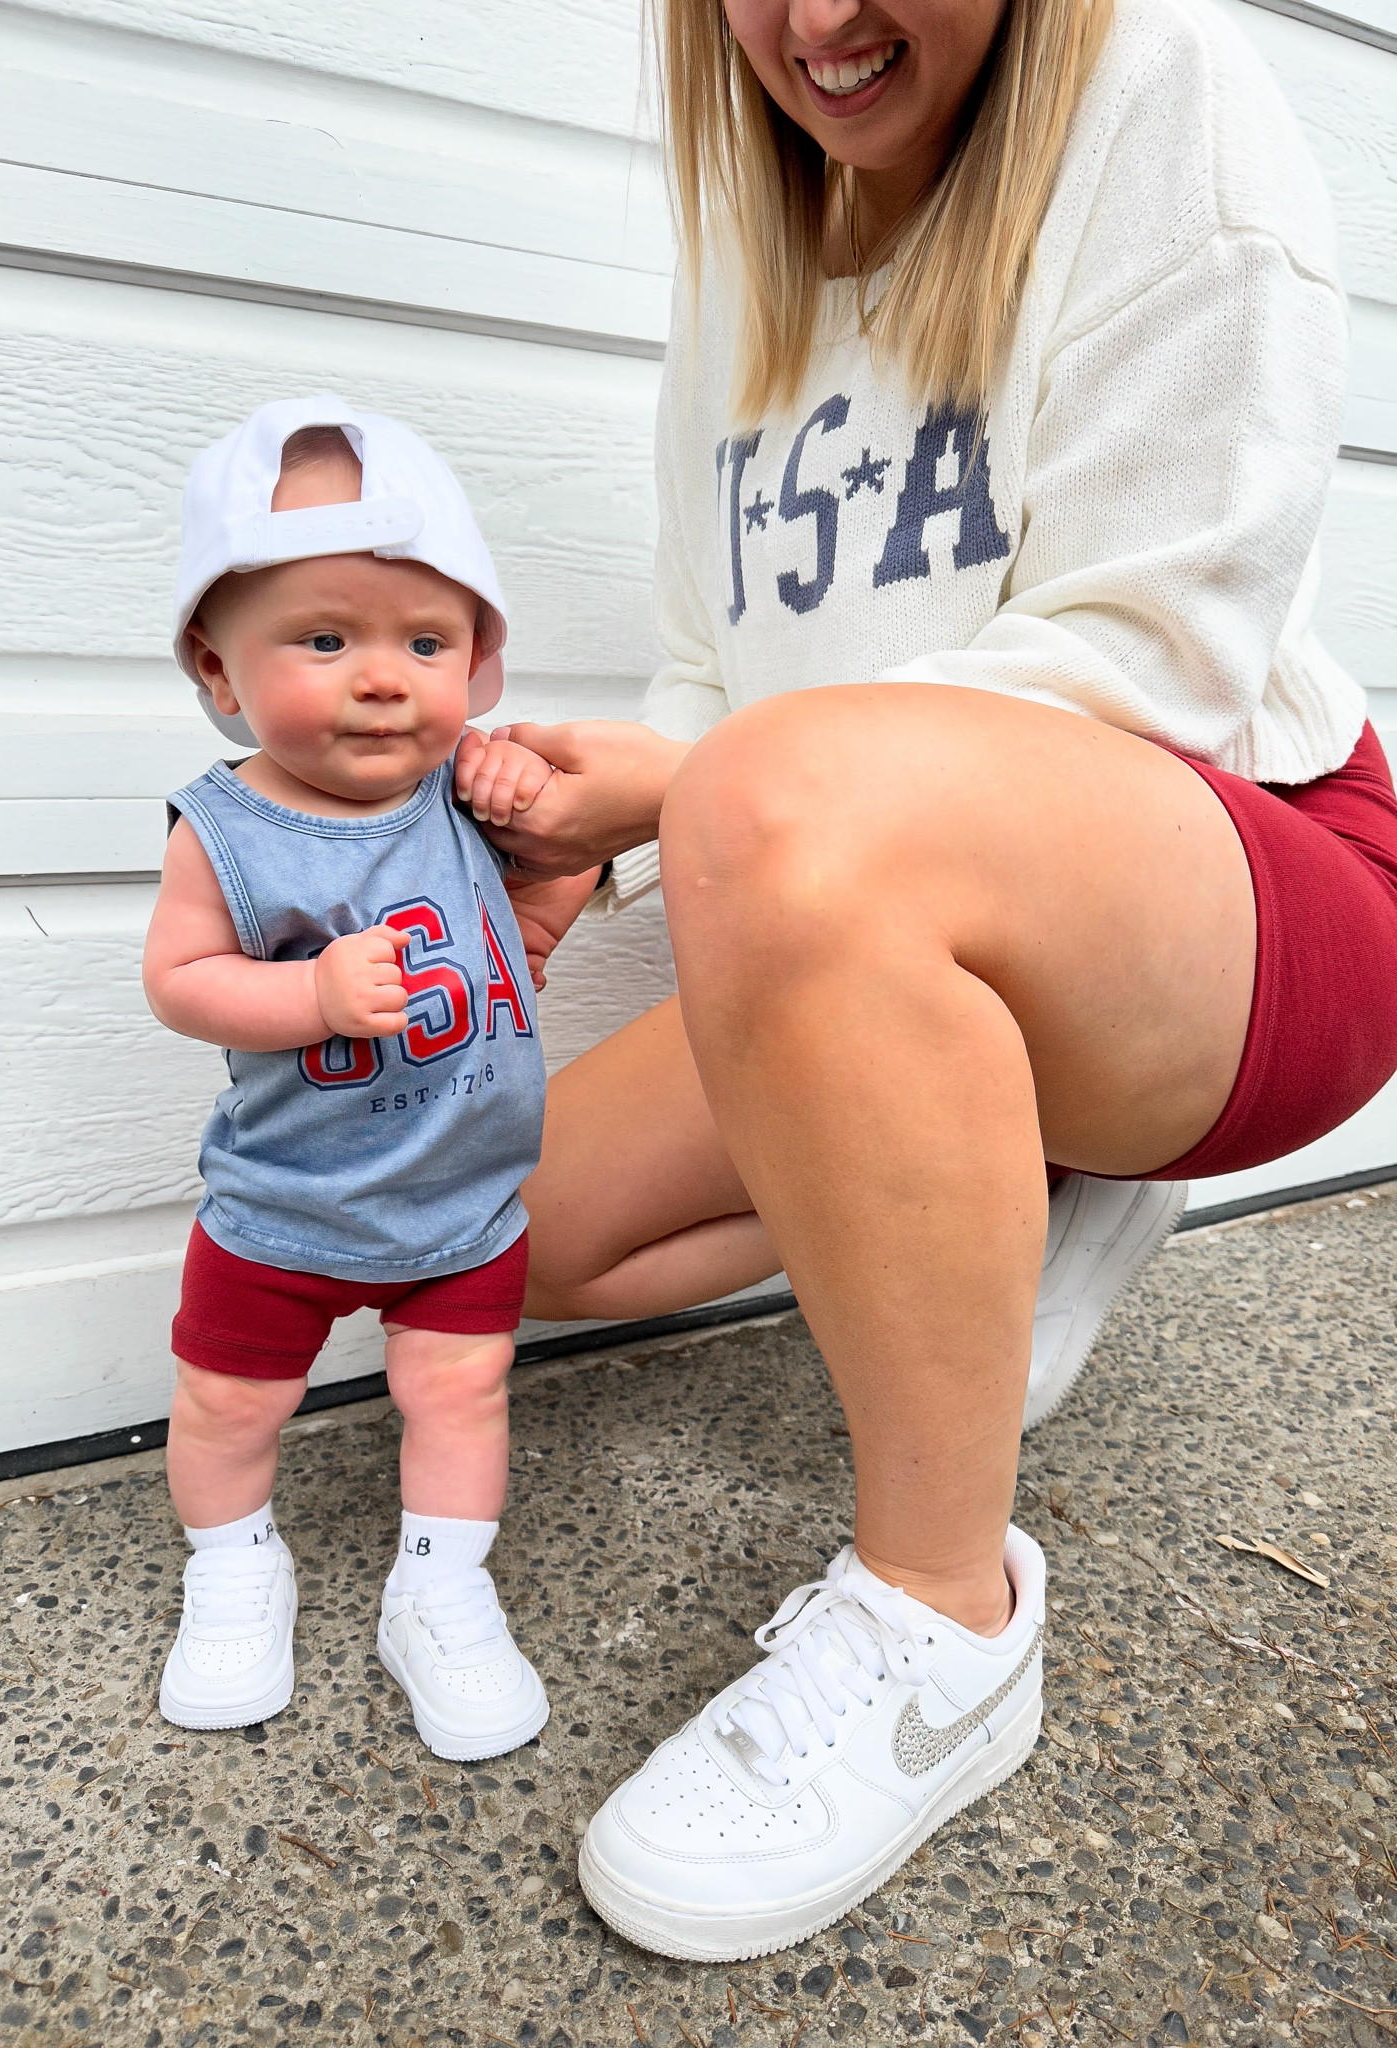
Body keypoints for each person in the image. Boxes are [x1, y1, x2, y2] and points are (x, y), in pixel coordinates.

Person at [451, 0, 1397, 1962]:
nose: (816, 20)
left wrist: (705, 799)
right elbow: (714, 665)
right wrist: (606, 825)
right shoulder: (751, 243)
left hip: (1263, 880)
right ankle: (984, 1155)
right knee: (503, 1223)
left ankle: (943, 1624)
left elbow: (1160, 666)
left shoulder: (1171, 93)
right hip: (864, 881)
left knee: (788, 802)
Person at [143, 397, 562, 1762]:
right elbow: (181, 979)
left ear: (479, 664)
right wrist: (310, 994)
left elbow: (582, 863)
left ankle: (439, 1586)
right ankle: (233, 1565)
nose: (383, 678)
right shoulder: (228, 827)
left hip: (464, 1199)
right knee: (227, 1401)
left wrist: (538, 835)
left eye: (425, 643)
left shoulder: (466, 789)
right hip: (288, 1205)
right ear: (221, 668)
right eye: (324, 640)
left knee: (461, 1396)